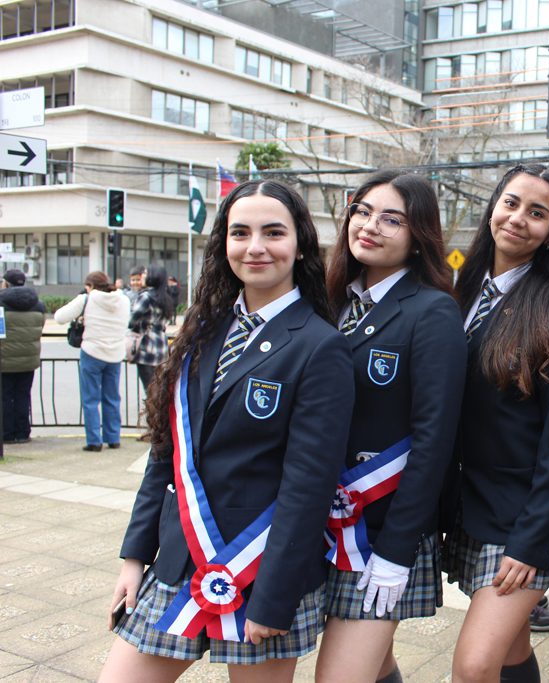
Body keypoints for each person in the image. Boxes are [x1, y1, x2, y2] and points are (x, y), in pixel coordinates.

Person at [98, 180, 354, 682]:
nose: (255, 247)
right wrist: (134, 557)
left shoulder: (321, 346)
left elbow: (309, 485)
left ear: (300, 245)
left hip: (261, 569)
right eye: (240, 233)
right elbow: (167, 454)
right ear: (224, 244)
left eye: (273, 232)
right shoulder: (203, 330)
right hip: (179, 559)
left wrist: (275, 598)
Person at [314, 171, 466, 683]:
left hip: (382, 529)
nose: (370, 226)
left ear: (418, 235)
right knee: (375, 667)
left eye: (391, 219)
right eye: (362, 211)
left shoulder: (432, 311)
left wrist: (397, 550)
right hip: (321, 522)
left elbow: (435, 439)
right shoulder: (330, 300)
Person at [445, 164, 549, 683]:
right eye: (510, 203)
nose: (517, 219)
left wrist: (531, 540)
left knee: (474, 665)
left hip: (524, 516)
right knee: (510, 650)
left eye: (537, 212)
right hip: (470, 504)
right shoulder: (460, 292)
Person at [54, 271, 131, 452]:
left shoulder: (87, 299)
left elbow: (59, 317)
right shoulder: (124, 300)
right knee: (112, 398)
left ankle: (94, 441)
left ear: (90, 286)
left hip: (92, 352)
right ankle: (113, 438)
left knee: (90, 399)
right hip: (115, 354)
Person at [0, 269, 46, 444]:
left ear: (6, 283)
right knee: (23, 396)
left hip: (5, 360)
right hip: (28, 360)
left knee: (5, 397)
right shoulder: (38, 304)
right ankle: (22, 432)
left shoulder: (1, 303)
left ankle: (7, 434)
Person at [128, 265, 175, 392]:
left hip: (147, 346)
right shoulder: (166, 298)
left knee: (149, 390)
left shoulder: (146, 297)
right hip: (161, 346)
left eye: (145, 273)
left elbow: (131, 320)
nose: (142, 275)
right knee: (159, 389)